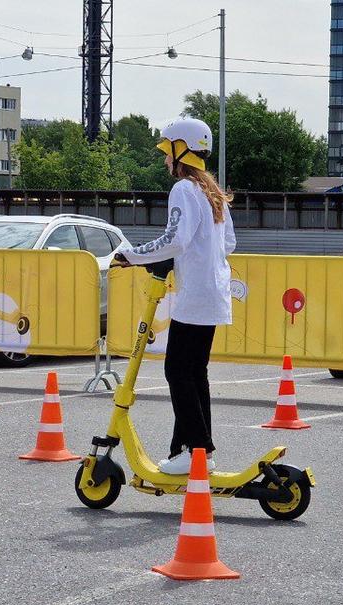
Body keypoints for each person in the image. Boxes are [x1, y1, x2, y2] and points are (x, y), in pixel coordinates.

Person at [113, 117, 236, 475]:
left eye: (168, 151)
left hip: (196, 296)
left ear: (182, 149)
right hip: (213, 293)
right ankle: (189, 451)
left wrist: (132, 255)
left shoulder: (184, 189)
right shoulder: (211, 191)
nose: (166, 159)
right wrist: (201, 257)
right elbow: (228, 243)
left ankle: (199, 450)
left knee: (177, 371)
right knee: (194, 373)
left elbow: (175, 239)